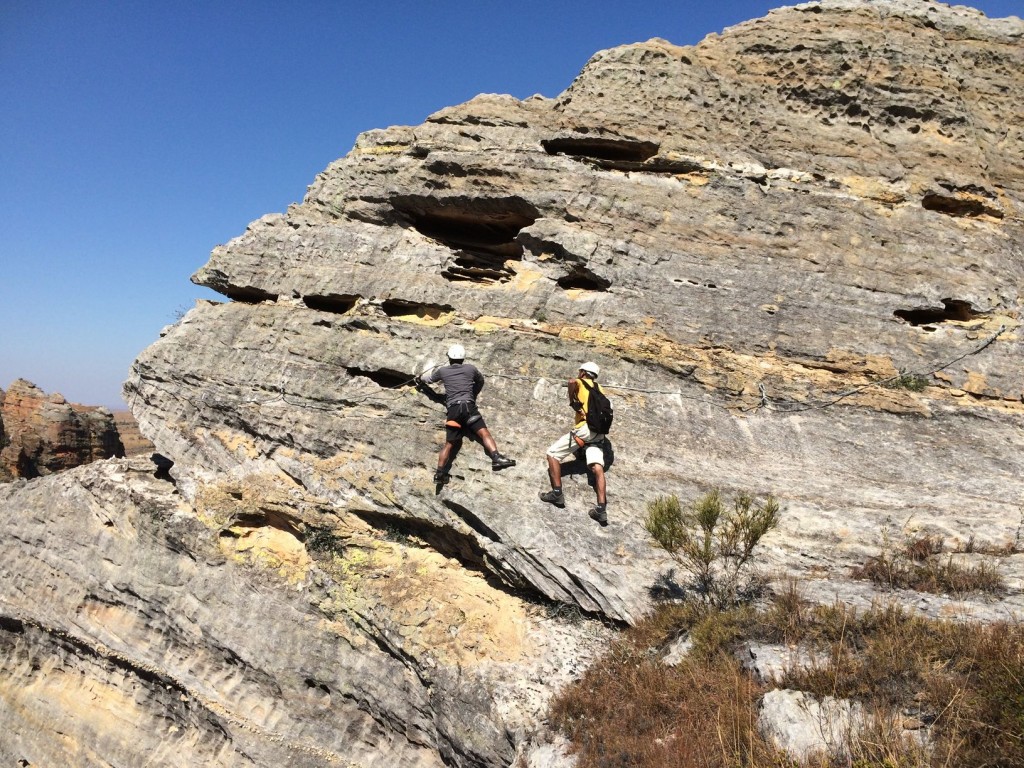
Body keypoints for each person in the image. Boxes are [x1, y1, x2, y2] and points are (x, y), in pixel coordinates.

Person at [416, 344, 516, 485]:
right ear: (463, 358)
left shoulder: (443, 371)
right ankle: (496, 458)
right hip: (469, 408)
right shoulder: (471, 368)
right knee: (484, 434)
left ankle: (439, 474)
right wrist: (472, 393)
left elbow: (429, 380)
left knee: (449, 444)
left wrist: (419, 379)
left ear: (449, 358)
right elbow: (480, 380)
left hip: (453, 410)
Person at [539, 361, 609, 526]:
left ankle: (557, 493)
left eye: (580, 372)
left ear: (583, 373)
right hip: (598, 434)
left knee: (553, 454)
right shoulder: (600, 389)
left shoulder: (581, 382)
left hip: (584, 430)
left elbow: (571, 382)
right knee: (597, 467)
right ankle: (601, 509)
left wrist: (572, 400)